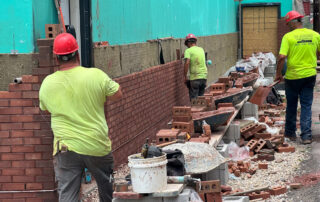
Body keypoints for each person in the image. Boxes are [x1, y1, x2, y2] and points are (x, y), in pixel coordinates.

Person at [39, 33, 122, 202]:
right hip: (96, 144)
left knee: (67, 194)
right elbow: (118, 94)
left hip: (65, 148)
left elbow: (46, 109)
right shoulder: (96, 75)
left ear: (56, 59)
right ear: (77, 54)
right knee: (106, 188)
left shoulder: (47, 83)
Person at [275, 10, 320, 144]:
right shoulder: (315, 35)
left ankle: (290, 134)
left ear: (293, 23)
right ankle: (306, 136)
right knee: (306, 105)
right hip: (309, 76)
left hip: (293, 77)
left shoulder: (288, 37)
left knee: (292, 105)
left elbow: (282, 57)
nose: (288, 26)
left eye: (288, 24)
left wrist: (278, 74)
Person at [183, 33, 208, 100]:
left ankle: (195, 110)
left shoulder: (188, 51)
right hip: (203, 77)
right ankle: (202, 110)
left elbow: (187, 62)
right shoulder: (201, 49)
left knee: (194, 100)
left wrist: (185, 76)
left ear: (188, 43)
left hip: (195, 78)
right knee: (201, 100)